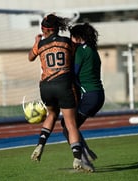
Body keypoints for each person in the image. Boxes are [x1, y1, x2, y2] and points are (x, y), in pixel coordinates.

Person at [28, 14, 94, 172]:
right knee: (71, 124)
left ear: (44, 30)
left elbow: (30, 57)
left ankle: (40, 145)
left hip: (45, 86)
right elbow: (75, 52)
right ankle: (77, 158)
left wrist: (36, 43)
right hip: (64, 84)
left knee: (51, 115)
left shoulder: (41, 44)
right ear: (57, 28)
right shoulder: (66, 42)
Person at [61, 22, 105, 170]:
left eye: (72, 37)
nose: (70, 39)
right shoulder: (93, 50)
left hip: (89, 96)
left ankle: (85, 158)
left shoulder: (80, 51)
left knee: (67, 127)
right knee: (72, 125)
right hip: (98, 94)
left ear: (78, 37)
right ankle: (86, 151)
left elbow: (73, 73)